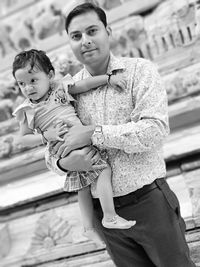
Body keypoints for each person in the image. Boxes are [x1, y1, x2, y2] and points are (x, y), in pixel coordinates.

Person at [45, 3, 196, 267]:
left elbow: (154, 130)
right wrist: (63, 163)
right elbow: (50, 150)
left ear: (108, 31)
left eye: (92, 31)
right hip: (104, 214)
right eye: (76, 36)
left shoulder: (140, 71)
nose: (86, 41)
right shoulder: (64, 91)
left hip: (149, 202)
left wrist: (93, 134)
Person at [12, 49, 135, 244]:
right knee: (103, 170)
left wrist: (108, 79)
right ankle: (109, 216)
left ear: (50, 75)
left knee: (83, 186)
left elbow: (84, 85)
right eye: (22, 84)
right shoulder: (28, 109)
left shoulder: (59, 88)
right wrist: (46, 136)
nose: (28, 88)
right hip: (64, 146)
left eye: (33, 80)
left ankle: (88, 228)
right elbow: (20, 140)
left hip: (76, 140)